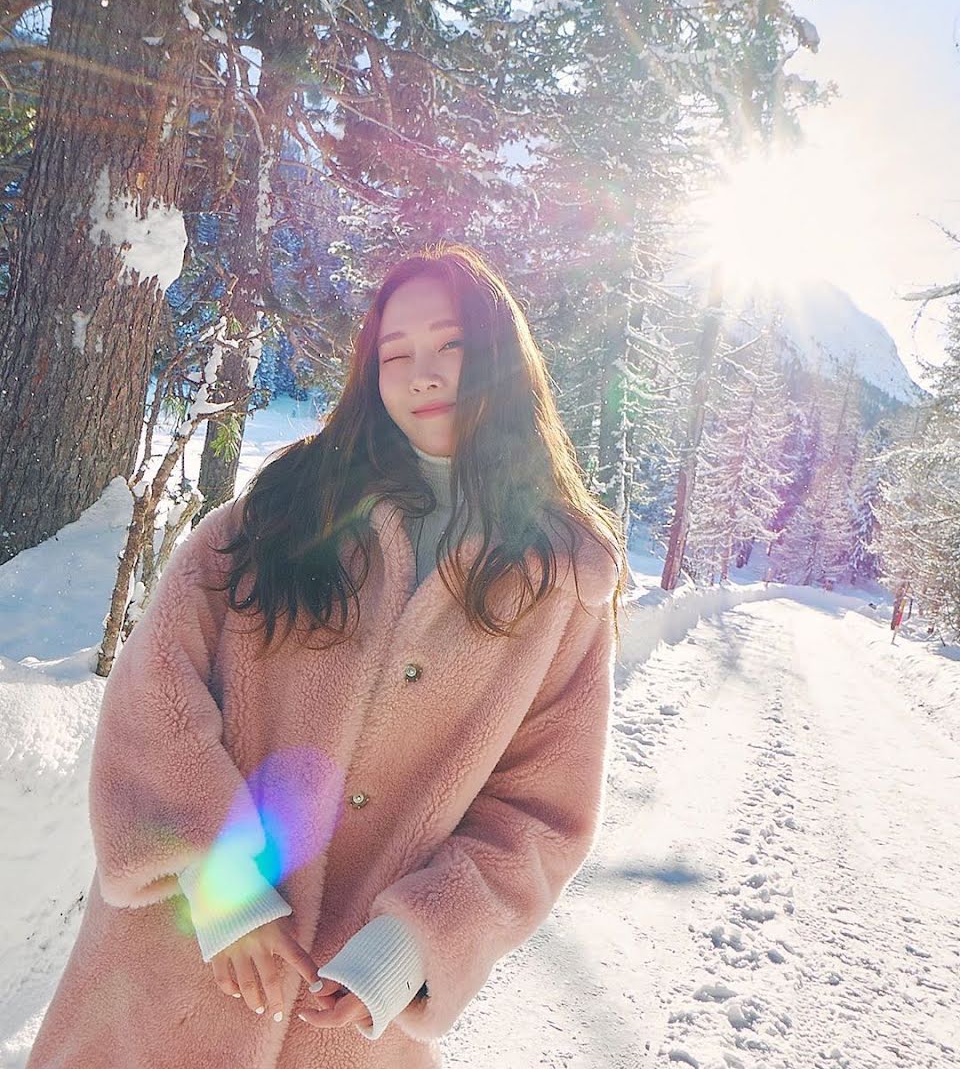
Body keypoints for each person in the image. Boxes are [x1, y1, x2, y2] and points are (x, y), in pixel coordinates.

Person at [26, 242, 626, 1069]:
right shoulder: (284, 510)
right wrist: (224, 889)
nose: (422, 373)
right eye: (395, 353)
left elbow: (538, 816)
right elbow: (157, 684)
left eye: (450, 344)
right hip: (171, 964)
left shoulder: (559, 584)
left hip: (346, 1018)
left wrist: (410, 948)